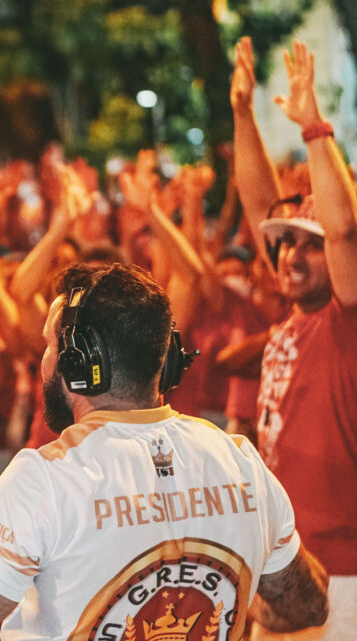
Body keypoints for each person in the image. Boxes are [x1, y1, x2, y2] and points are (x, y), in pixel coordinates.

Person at [0, 263, 329, 641]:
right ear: (164, 361)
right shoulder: (241, 462)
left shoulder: (48, 478)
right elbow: (307, 604)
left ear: (79, 362)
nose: (44, 359)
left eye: (49, 346)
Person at [232, 38, 357, 638]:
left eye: (311, 244)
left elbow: (344, 227)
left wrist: (314, 130)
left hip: (344, 572)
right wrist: (241, 114)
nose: (292, 255)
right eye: (287, 244)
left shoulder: (346, 319)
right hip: (287, 563)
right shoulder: (290, 321)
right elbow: (259, 204)